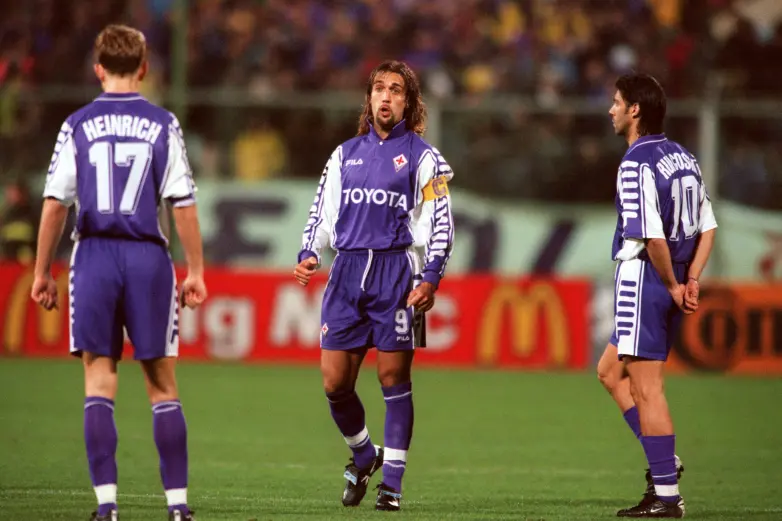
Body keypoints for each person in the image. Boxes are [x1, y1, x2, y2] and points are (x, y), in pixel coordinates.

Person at [30, 25, 206, 521]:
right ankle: (177, 507)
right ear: (144, 68)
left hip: (95, 256)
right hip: (147, 256)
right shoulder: (163, 123)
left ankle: (106, 506)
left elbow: (55, 204)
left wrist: (42, 272)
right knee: (162, 384)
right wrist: (195, 270)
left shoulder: (78, 124)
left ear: (98, 68)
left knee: (99, 378)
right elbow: (183, 203)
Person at [293, 60, 454, 512]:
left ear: (409, 102)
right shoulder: (344, 155)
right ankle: (365, 455)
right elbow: (321, 214)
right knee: (334, 383)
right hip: (345, 274)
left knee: (393, 378)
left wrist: (431, 276)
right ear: (369, 98)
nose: (386, 96)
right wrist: (309, 252)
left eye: (396, 90)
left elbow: (441, 222)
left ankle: (393, 486)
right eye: (379, 88)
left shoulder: (425, 158)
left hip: (397, 274)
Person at [598, 73, 717, 518]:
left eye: (616, 102)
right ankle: (665, 461)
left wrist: (670, 284)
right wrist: (692, 279)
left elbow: (651, 237)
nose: (611, 109)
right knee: (610, 372)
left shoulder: (635, 162)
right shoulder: (684, 156)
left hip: (647, 278)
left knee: (647, 389)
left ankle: (667, 494)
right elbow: (708, 226)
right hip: (676, 277)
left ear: (635, 110)